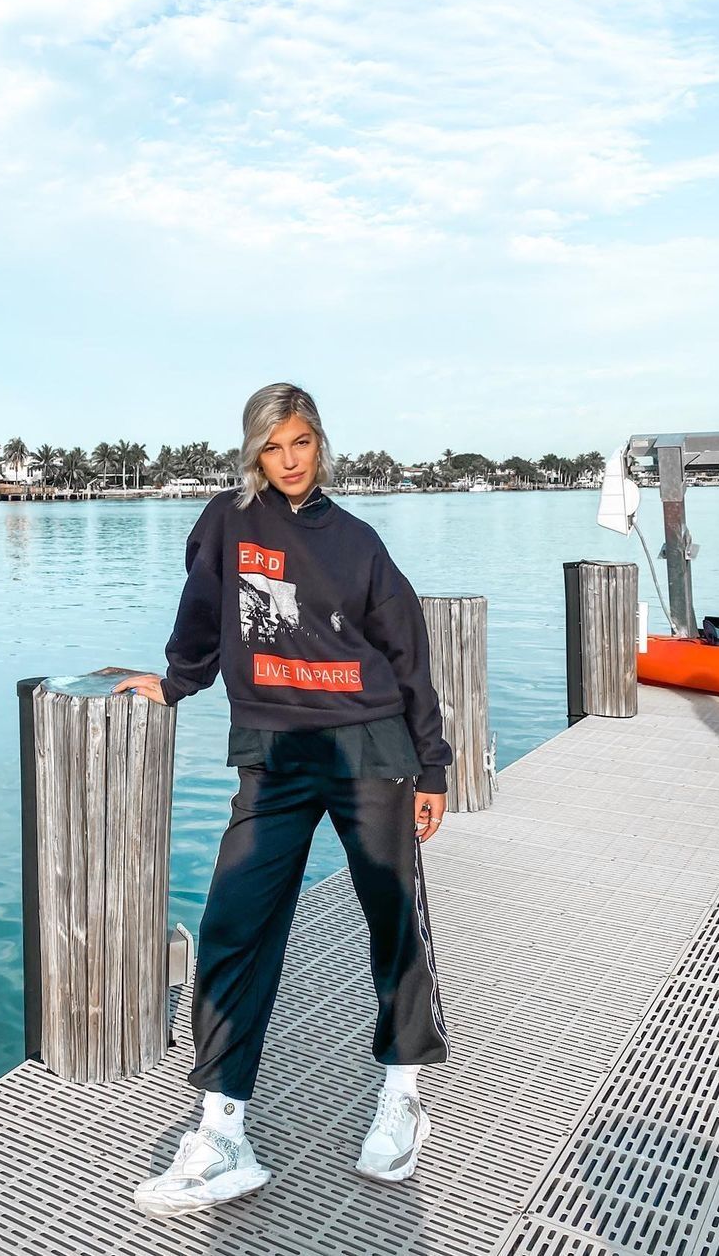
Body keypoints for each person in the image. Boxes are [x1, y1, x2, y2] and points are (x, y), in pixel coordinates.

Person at [114, 383, 453, 1218]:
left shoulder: (357, 541)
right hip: (273, 753)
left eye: (301, 442)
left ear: (320, 444)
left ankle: (401, 1091)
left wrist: (433, 767)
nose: (290, 459)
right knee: (234, 923)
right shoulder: (228, 522)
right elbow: (201, 615)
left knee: (391, 916)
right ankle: (223, 1132)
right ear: (254, 452)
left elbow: (407, 654)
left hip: (369, 744)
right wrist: (177, 682)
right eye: (273, 446)